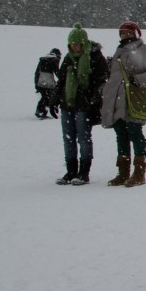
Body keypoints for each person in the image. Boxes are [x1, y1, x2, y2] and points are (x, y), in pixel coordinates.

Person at [100, 21, 146, 187]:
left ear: (136, 33)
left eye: (128, 32)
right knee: (121, 134)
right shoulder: (118, 51)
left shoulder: (144, 50)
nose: (125, 35)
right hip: (117, 99)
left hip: (134, 98)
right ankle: (123, 172)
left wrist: (137, 80)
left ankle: (139, 172)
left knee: (135, 132)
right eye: (122, 33)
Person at [54, 24, 108, 185]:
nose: (74, 46)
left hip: (84, 105)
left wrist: (90, 98)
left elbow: (101, 81)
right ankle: (70, 171)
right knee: (68, 138)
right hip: (68, 103)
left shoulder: (96, 57)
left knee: (83, 138)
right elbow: (62, 80)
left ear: (83, 43)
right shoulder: (68, 58)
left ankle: (84, 172)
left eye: (77, 43)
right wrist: (55, 98)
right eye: (71, 44)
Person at [34, 48, 62, 119]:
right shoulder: (54, 59)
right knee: (49, 96)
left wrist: (36, 83)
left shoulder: (43, 59)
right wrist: (62, 79)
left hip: (39, 81)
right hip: (47, 82)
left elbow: (37, 72)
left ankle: (41, 111)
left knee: (45, 96)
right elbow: (57, 72)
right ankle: (41, 111)